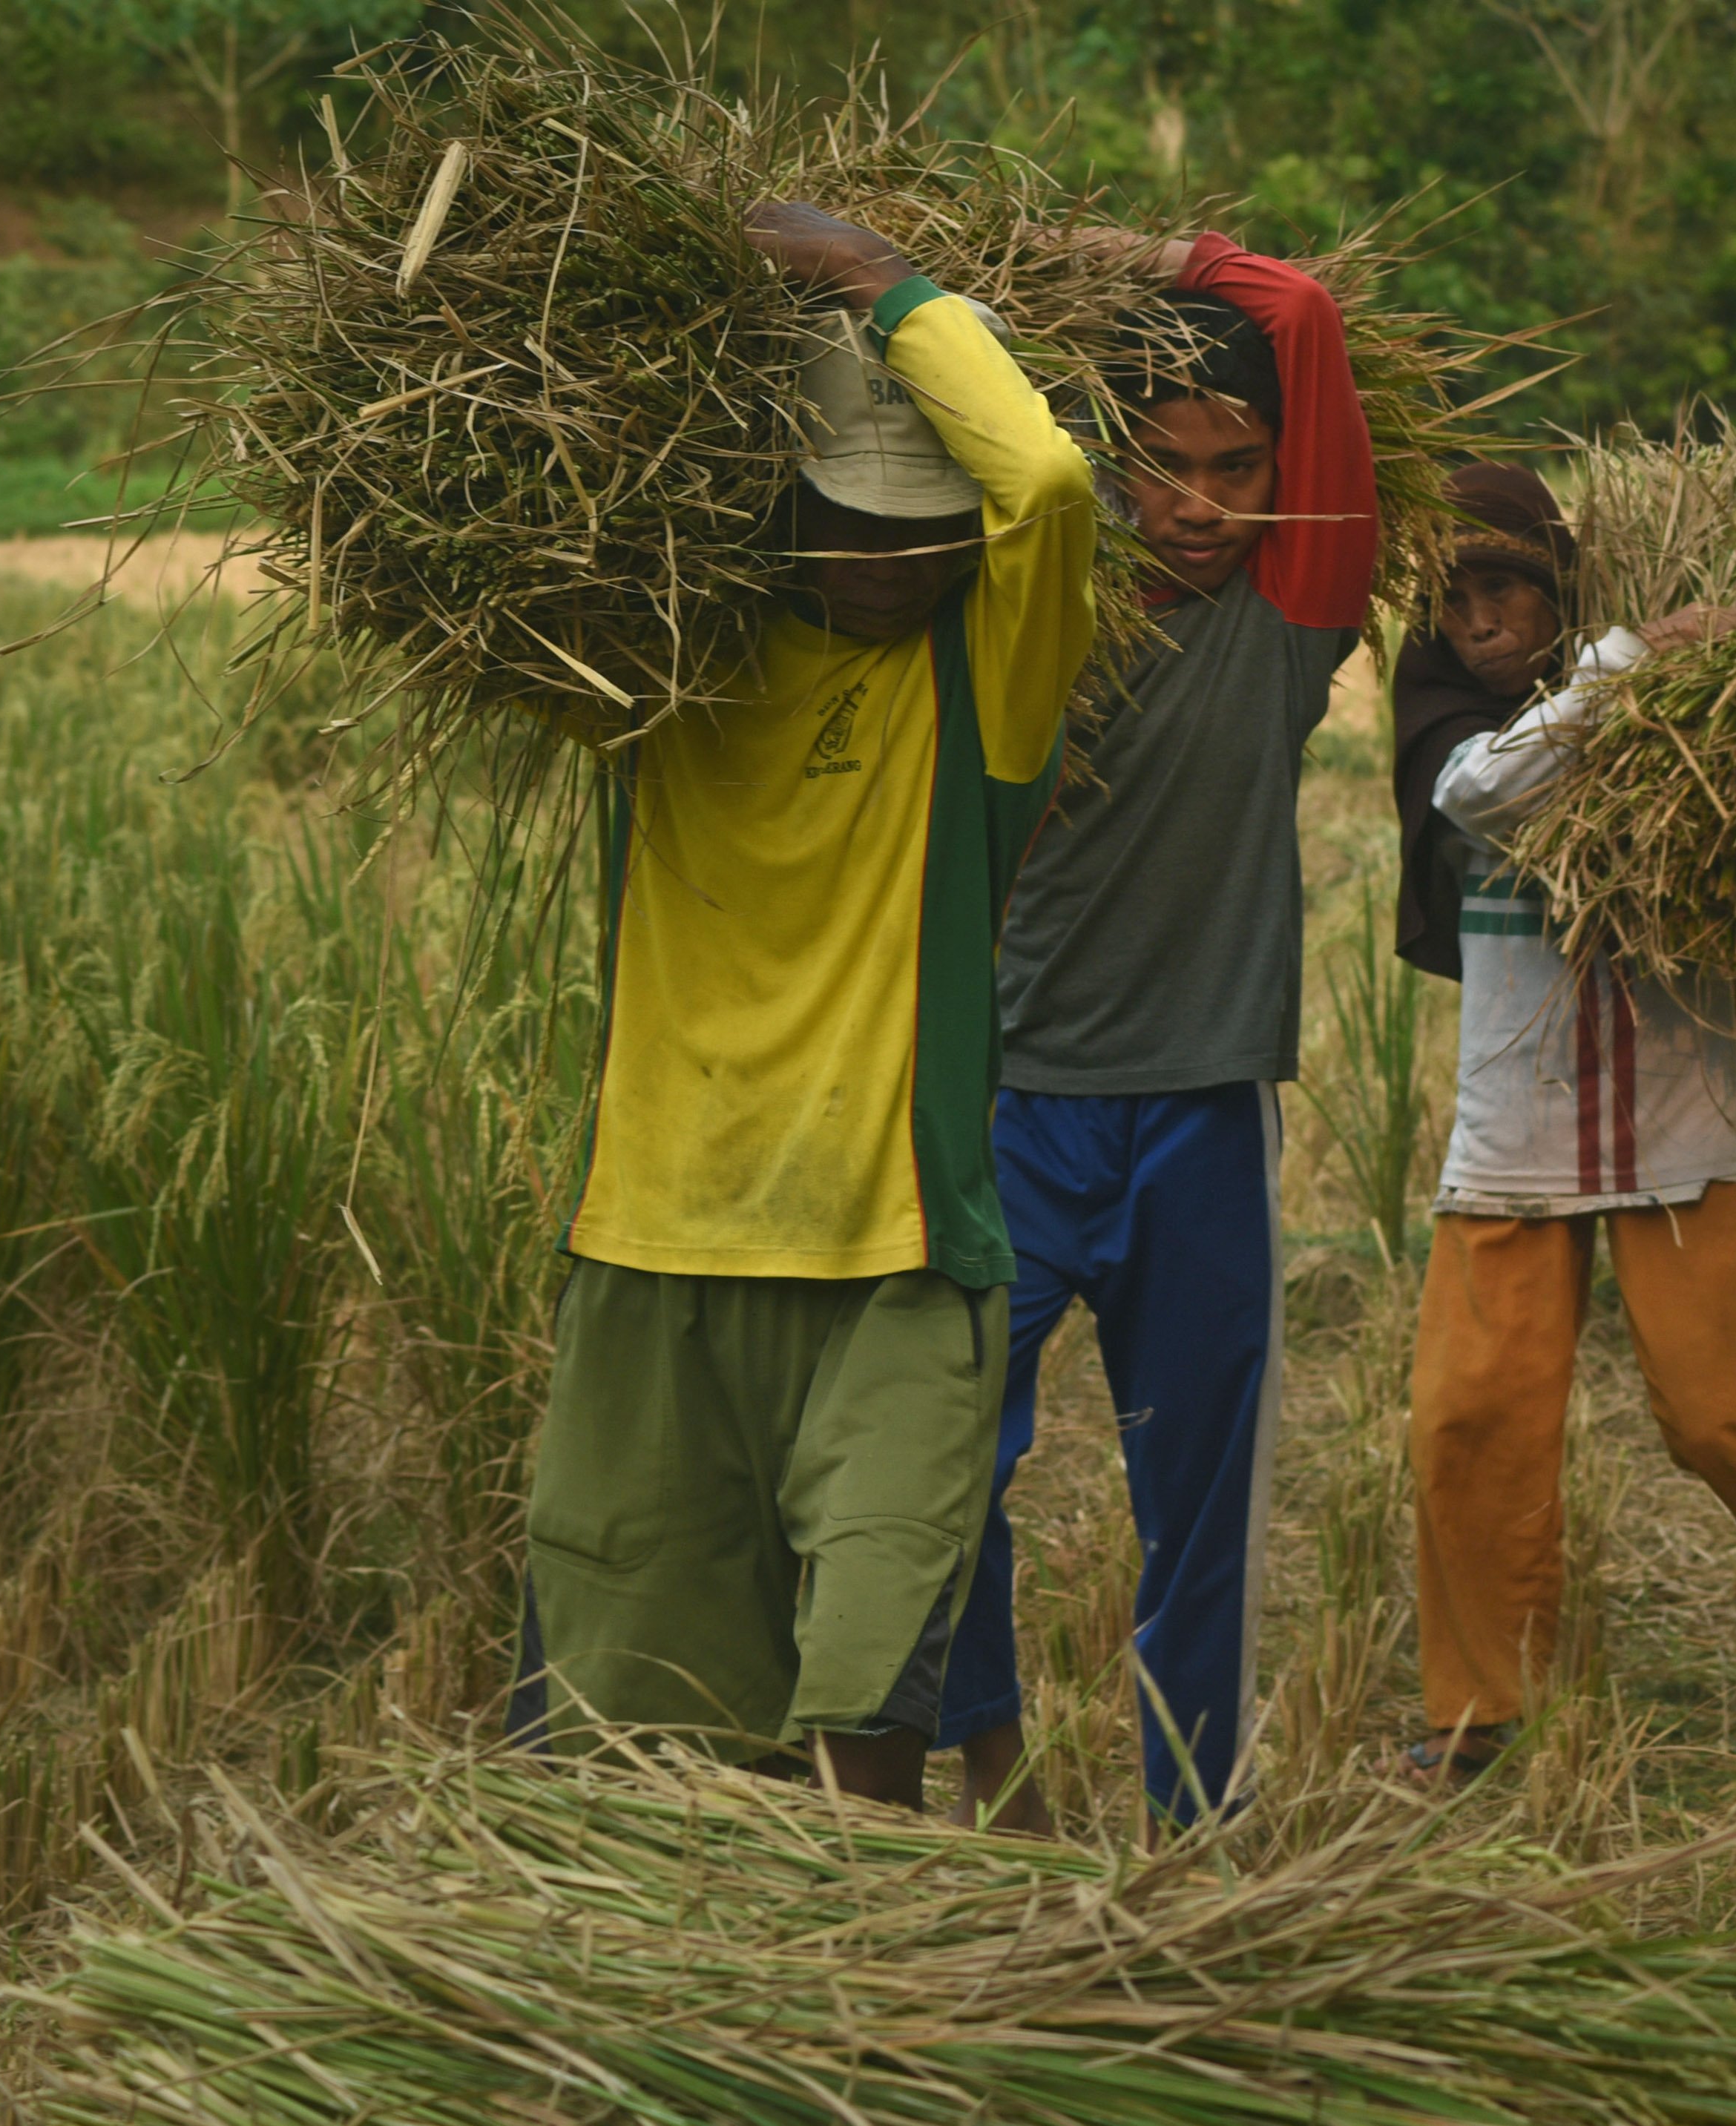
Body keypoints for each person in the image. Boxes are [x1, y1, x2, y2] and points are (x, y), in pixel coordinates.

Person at [509, 202, 1096, 1810]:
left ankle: (866, 1999)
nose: (906, 559)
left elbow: (1043, 482)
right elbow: (512, 536)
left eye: (930, 530)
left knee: (866, 1714)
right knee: (645, 1737)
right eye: (860, 521)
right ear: (779, 509)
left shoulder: (982, 691)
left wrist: (876, 287)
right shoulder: (655, 674)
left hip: (894, 1264)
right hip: (656, 1247)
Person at [1395, 463, 1736, 1779]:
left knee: (1725, 1413)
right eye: (1454, 595)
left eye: (1504, 588)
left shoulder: (1685, 720)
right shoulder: (1466, 727)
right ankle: (1482, 1712)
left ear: (1560, 585)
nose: (1477, 619)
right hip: (1514, 1138)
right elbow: (1477, 796)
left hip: (1671, 1114)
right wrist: (1637, 661)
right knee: (1470, 1420)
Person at [937, 232, 1378, 1832]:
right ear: (1106, 465)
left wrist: (1155, 258)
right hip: (1014, 1112)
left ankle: (1194, 1821)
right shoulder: (1049, 601)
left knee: (1197, 1506)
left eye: (1237, 468)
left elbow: (1306, 312)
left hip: (1199, 1121)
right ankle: (988, 1757)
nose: (1201, 503)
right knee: (938, 1470)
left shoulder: (1290, 620)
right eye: (1164, 466)